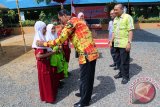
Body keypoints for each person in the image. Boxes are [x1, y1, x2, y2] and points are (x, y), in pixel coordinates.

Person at [37, 9, 99, 107]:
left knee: (86, 78)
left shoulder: (71, 23)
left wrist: (43, 43)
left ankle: (85, 101)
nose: (60, 21)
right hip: (88, 52)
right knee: (84, 77)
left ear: (64, 15)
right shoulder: (76, 19)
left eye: (60, 18)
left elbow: (60, 39)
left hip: (87, 54)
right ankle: (84, 93)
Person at [32, 21, 57, 103]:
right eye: (44, 29)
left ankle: (48, 96)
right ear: (39, 29)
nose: (45, 30)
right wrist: (52, 53)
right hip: (42, 64)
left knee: (47, 80)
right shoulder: (38, 40)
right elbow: (38, 56)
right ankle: (49, 98)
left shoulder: (41, 38)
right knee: (46, 80)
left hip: (45, 62)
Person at [110, 4, 134, 84]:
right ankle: (121, 73)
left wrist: (129, 43)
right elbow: (113, 31)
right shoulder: (115, 19)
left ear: (122, 9)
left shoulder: (127, 17)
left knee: (124, 61)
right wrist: (111, 41)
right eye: (114, 9)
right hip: (116, 43)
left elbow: (130, 31)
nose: (115, 11)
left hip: (124, 44)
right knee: (118, 60)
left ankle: (125, 77)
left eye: (116, 10)